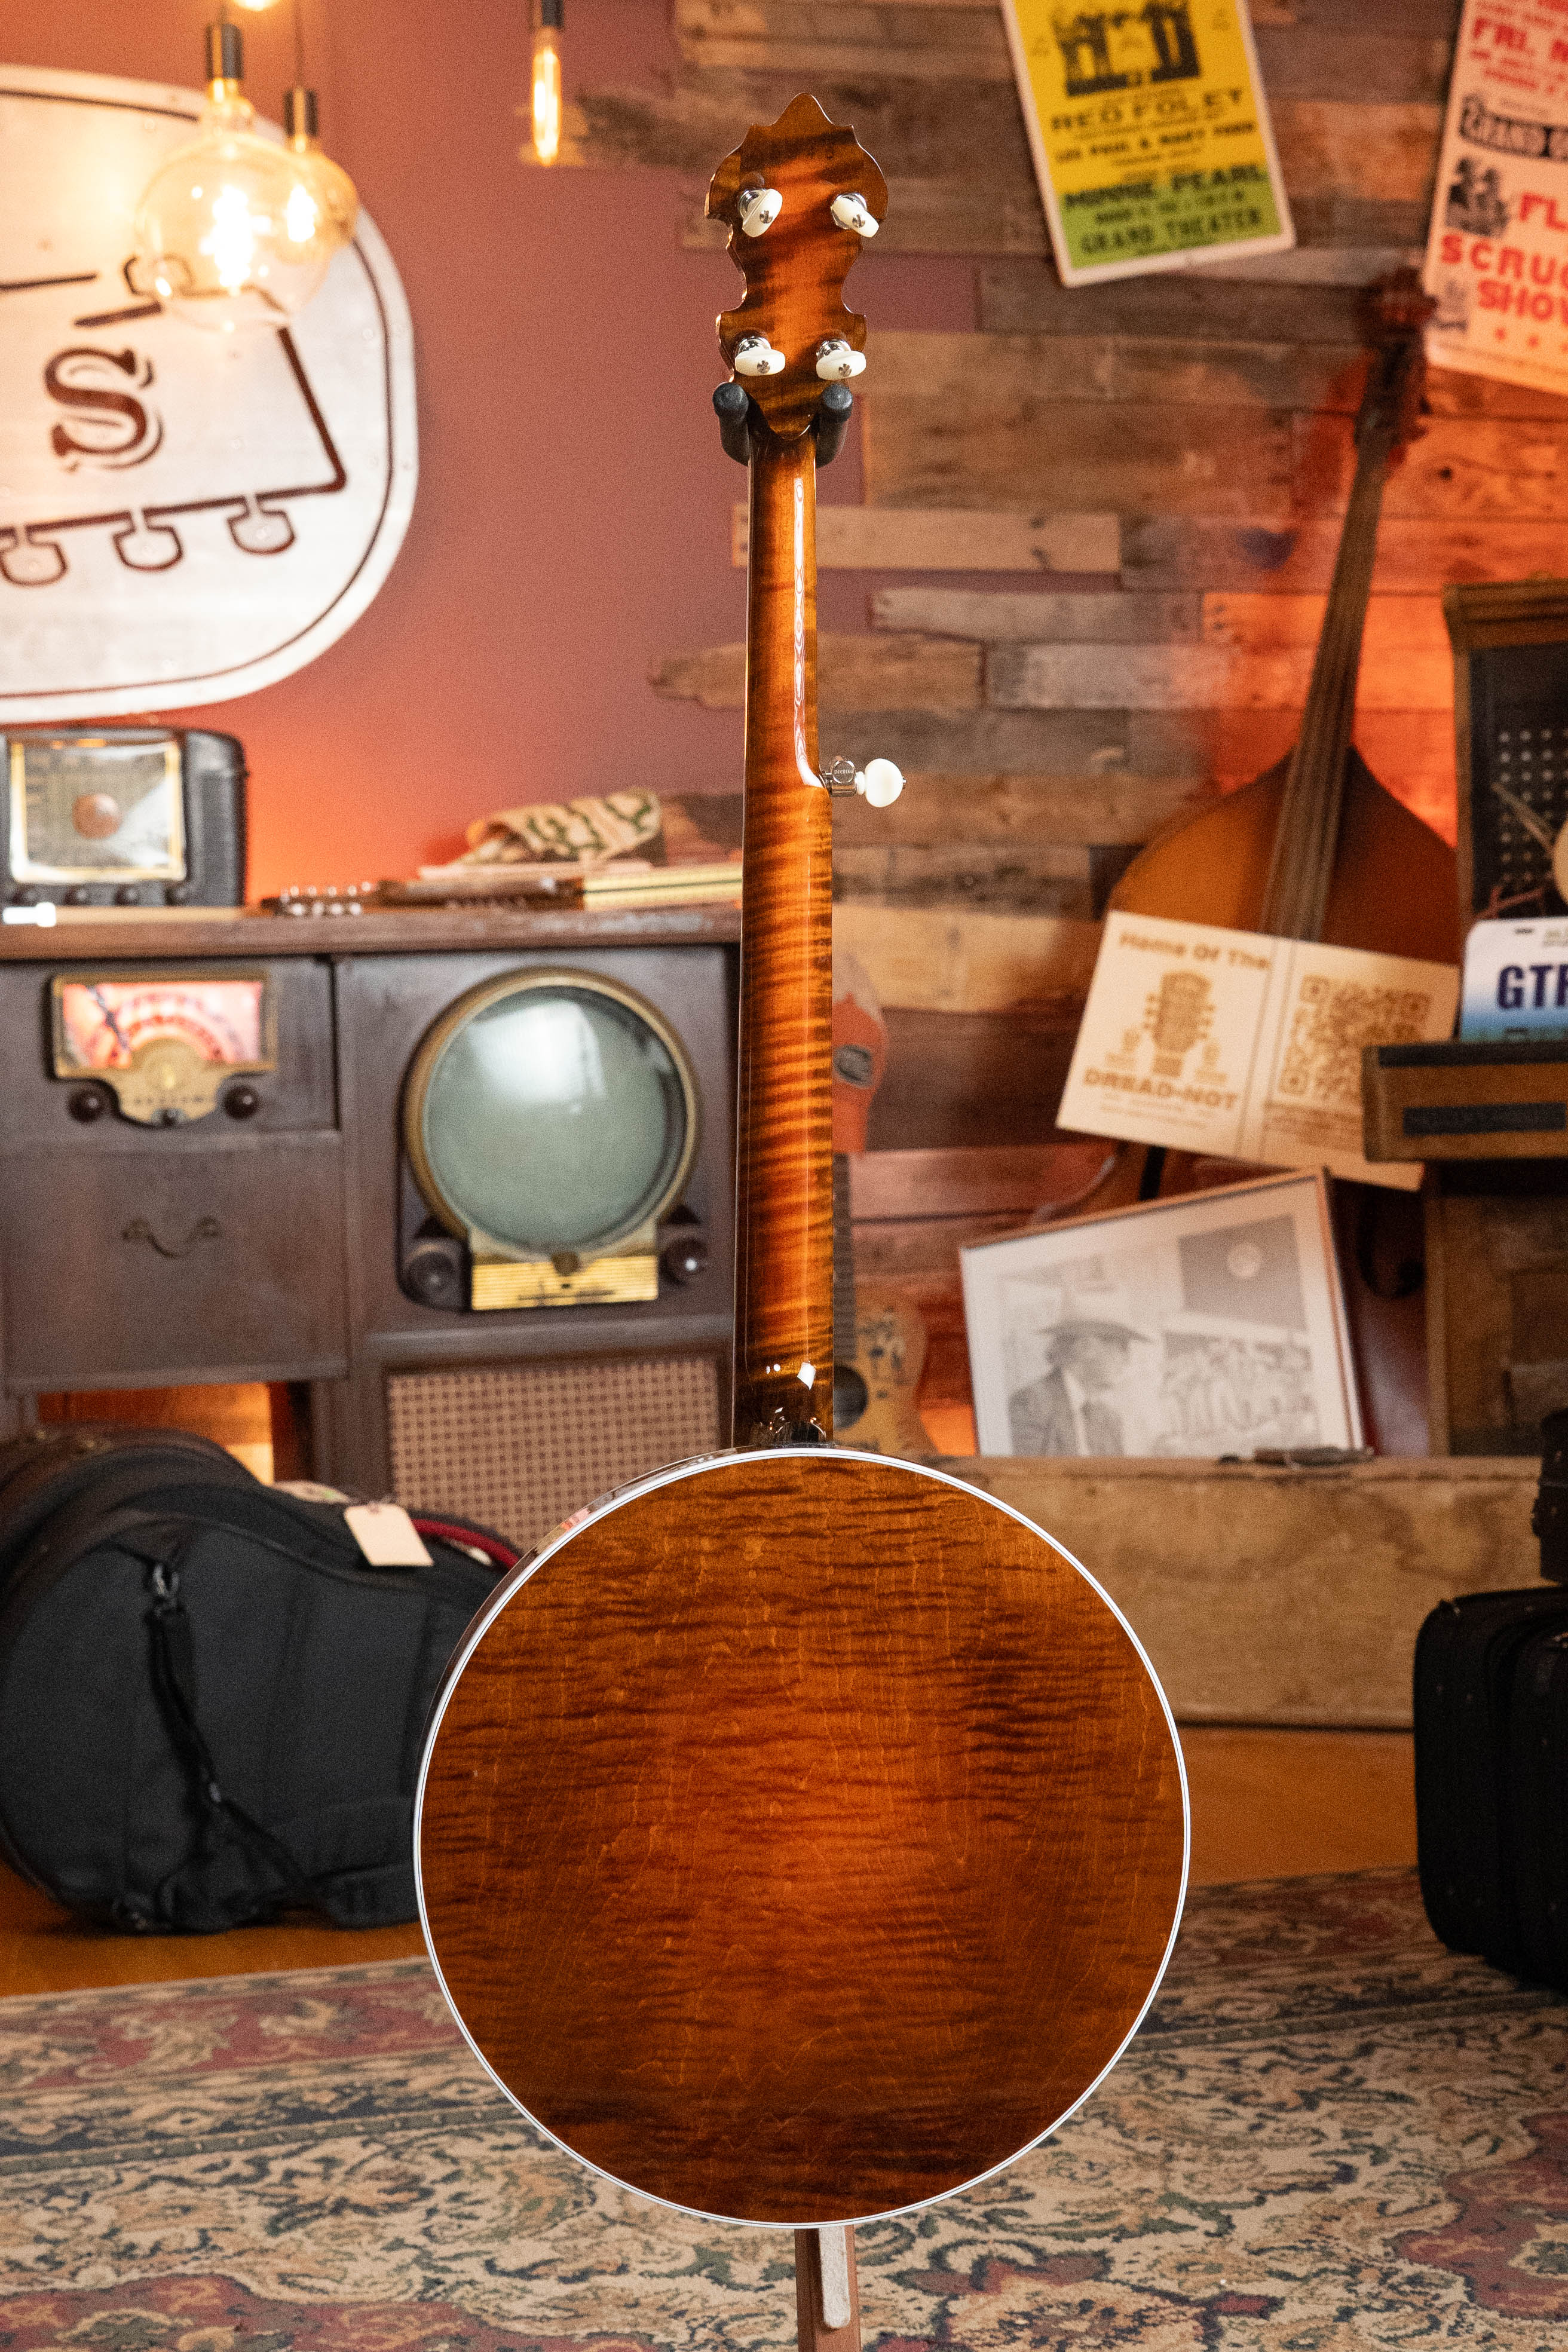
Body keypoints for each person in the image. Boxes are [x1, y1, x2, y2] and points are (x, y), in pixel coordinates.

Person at [1008, 1315, 1152, 1456]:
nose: (1128, 1359)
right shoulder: (1031, 1405)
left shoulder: (1110, 1419)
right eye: (1122, 1347)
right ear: (1085, 1348)